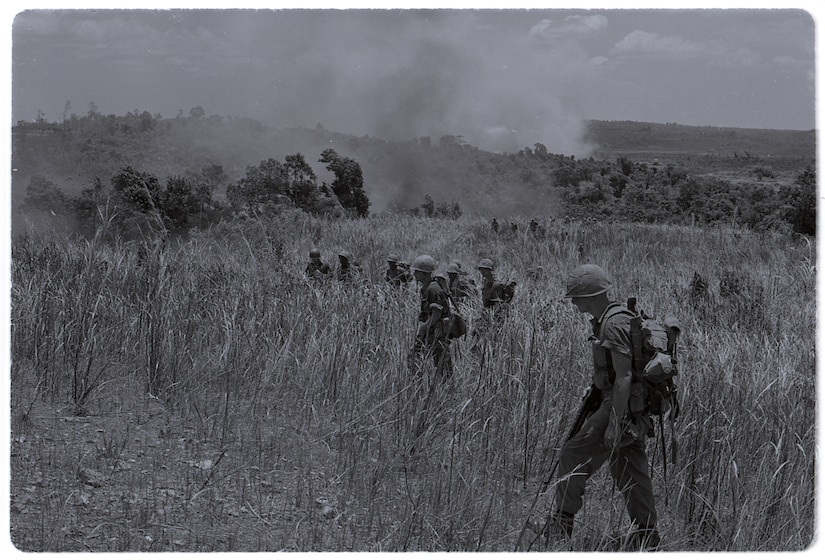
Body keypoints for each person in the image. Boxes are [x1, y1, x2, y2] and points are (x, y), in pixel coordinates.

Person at [532, 264, 660, 551]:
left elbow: (624, 376)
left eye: (576, 298)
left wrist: (613, 423)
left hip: (621, 406)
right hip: (629, 406)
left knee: (573, 453)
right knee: (629, 467)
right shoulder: (614, 318)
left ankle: (561, 525)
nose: (574, 304)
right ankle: (648, 536)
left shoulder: (612, 324)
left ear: (590, 295)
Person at [409, 255, 453, 379]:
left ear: (425, 273)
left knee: (442, 366)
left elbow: (437, 313)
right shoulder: (428, 287)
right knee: (416, 357)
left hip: (436, 332)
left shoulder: (432, 289)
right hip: (431, 331)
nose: (414, 274)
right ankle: (419, 388)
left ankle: (446, 393)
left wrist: (425, 327)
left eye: (417, 271)